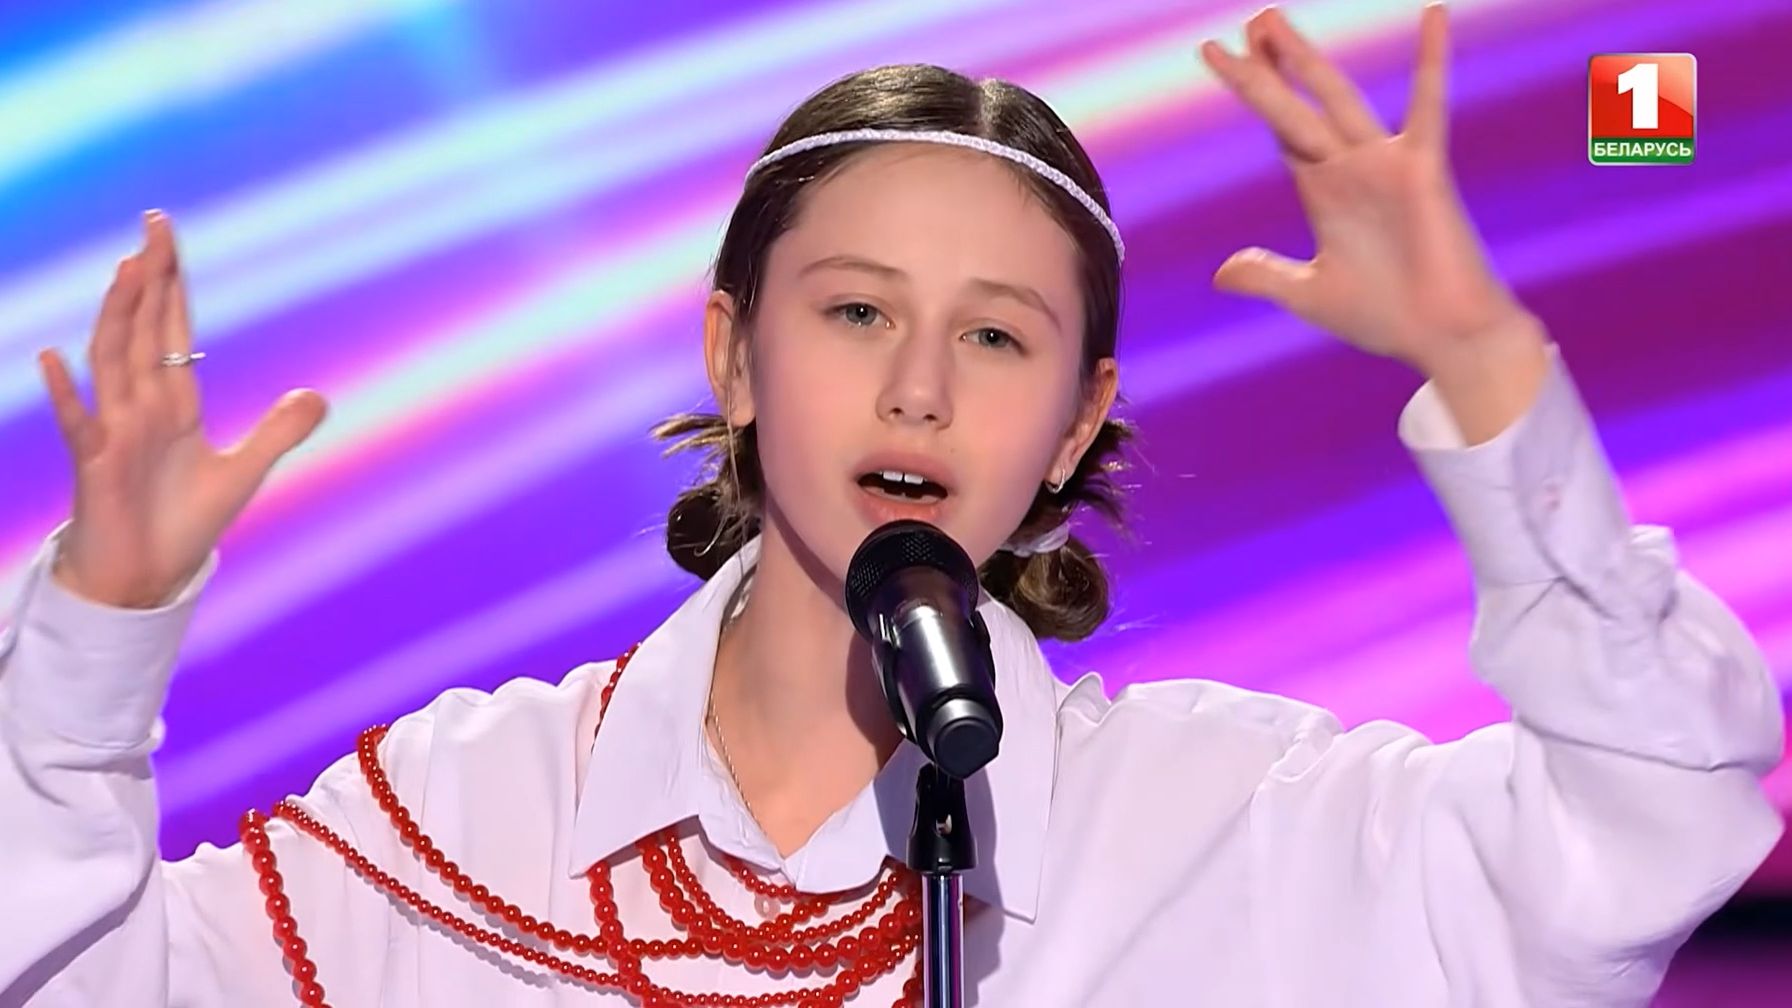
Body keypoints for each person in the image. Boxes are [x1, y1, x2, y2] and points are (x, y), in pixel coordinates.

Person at [2, 5, 1782, 1006]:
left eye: (996, 338)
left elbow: (1657, 818)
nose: (920, 387)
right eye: (855, 313)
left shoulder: (1233, 824)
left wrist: (1484, 365)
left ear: (1078, 422)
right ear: (735, 353)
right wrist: (96, 632)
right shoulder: (470, 816)